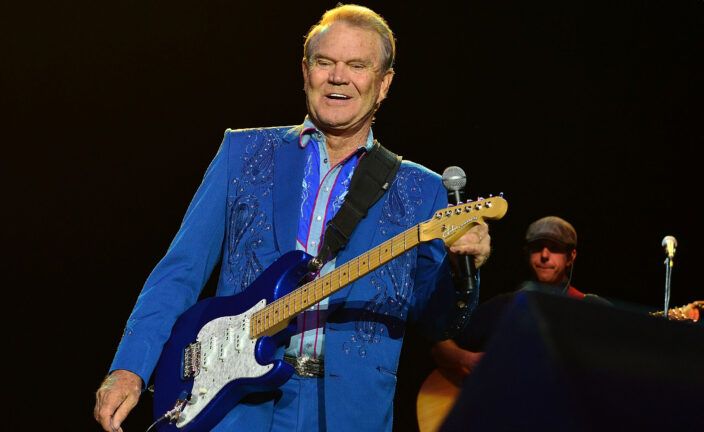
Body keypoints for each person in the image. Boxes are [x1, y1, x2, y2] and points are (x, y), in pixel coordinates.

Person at [93, 5, 492, 432]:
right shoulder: (242, 154)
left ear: (384, 84)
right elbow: (180, 271)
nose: (339, 77)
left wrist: (460, 270)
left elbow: (438, 322)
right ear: (306, 72)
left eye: (357, 66)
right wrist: (129, 369)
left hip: (349, 414)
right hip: (234, 407)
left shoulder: (421, 190)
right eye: (325, 63)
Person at [431, 215, 608, 381]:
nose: (544, 255)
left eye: (554, 248)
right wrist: (468, 359)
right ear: (527, 253)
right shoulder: (505, 305)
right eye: (537, 248)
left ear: (571, 257)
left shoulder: (592, 309)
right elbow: (440, 341)